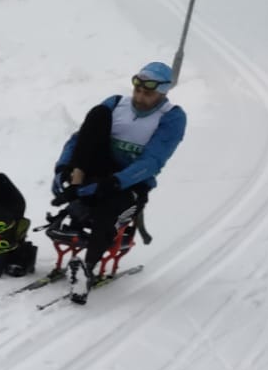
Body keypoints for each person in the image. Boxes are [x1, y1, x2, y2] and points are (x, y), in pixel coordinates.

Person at [50, 60, 187, 302]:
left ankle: (87, 270)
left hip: (133, 184)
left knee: (110, 210)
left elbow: (152, 161)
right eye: (138, 90)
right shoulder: (116, 104)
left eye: (148, 93)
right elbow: (79, 139)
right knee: (98, 115)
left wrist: (113, 183)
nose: (140, 97)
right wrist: (62, 169)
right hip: (98, 171)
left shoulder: (172, 118)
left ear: (163, 92)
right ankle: (75, 189)